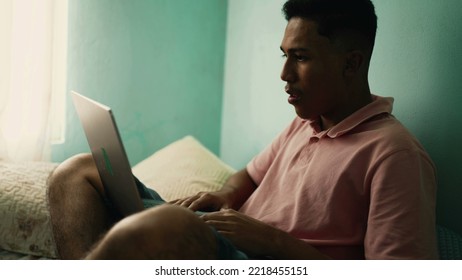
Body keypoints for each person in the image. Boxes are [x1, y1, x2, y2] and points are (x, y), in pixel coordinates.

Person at [48, 0, 438, 260]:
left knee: (164, 226)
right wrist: (222, 195)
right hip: (221, 235)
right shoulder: (303, 123)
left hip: (254, 259)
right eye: (285, 56)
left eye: (300, 58)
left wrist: (270, 240)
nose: (284, 75)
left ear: (351, 64)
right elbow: (248, 176)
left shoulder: (395, 154)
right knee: (75, 171)